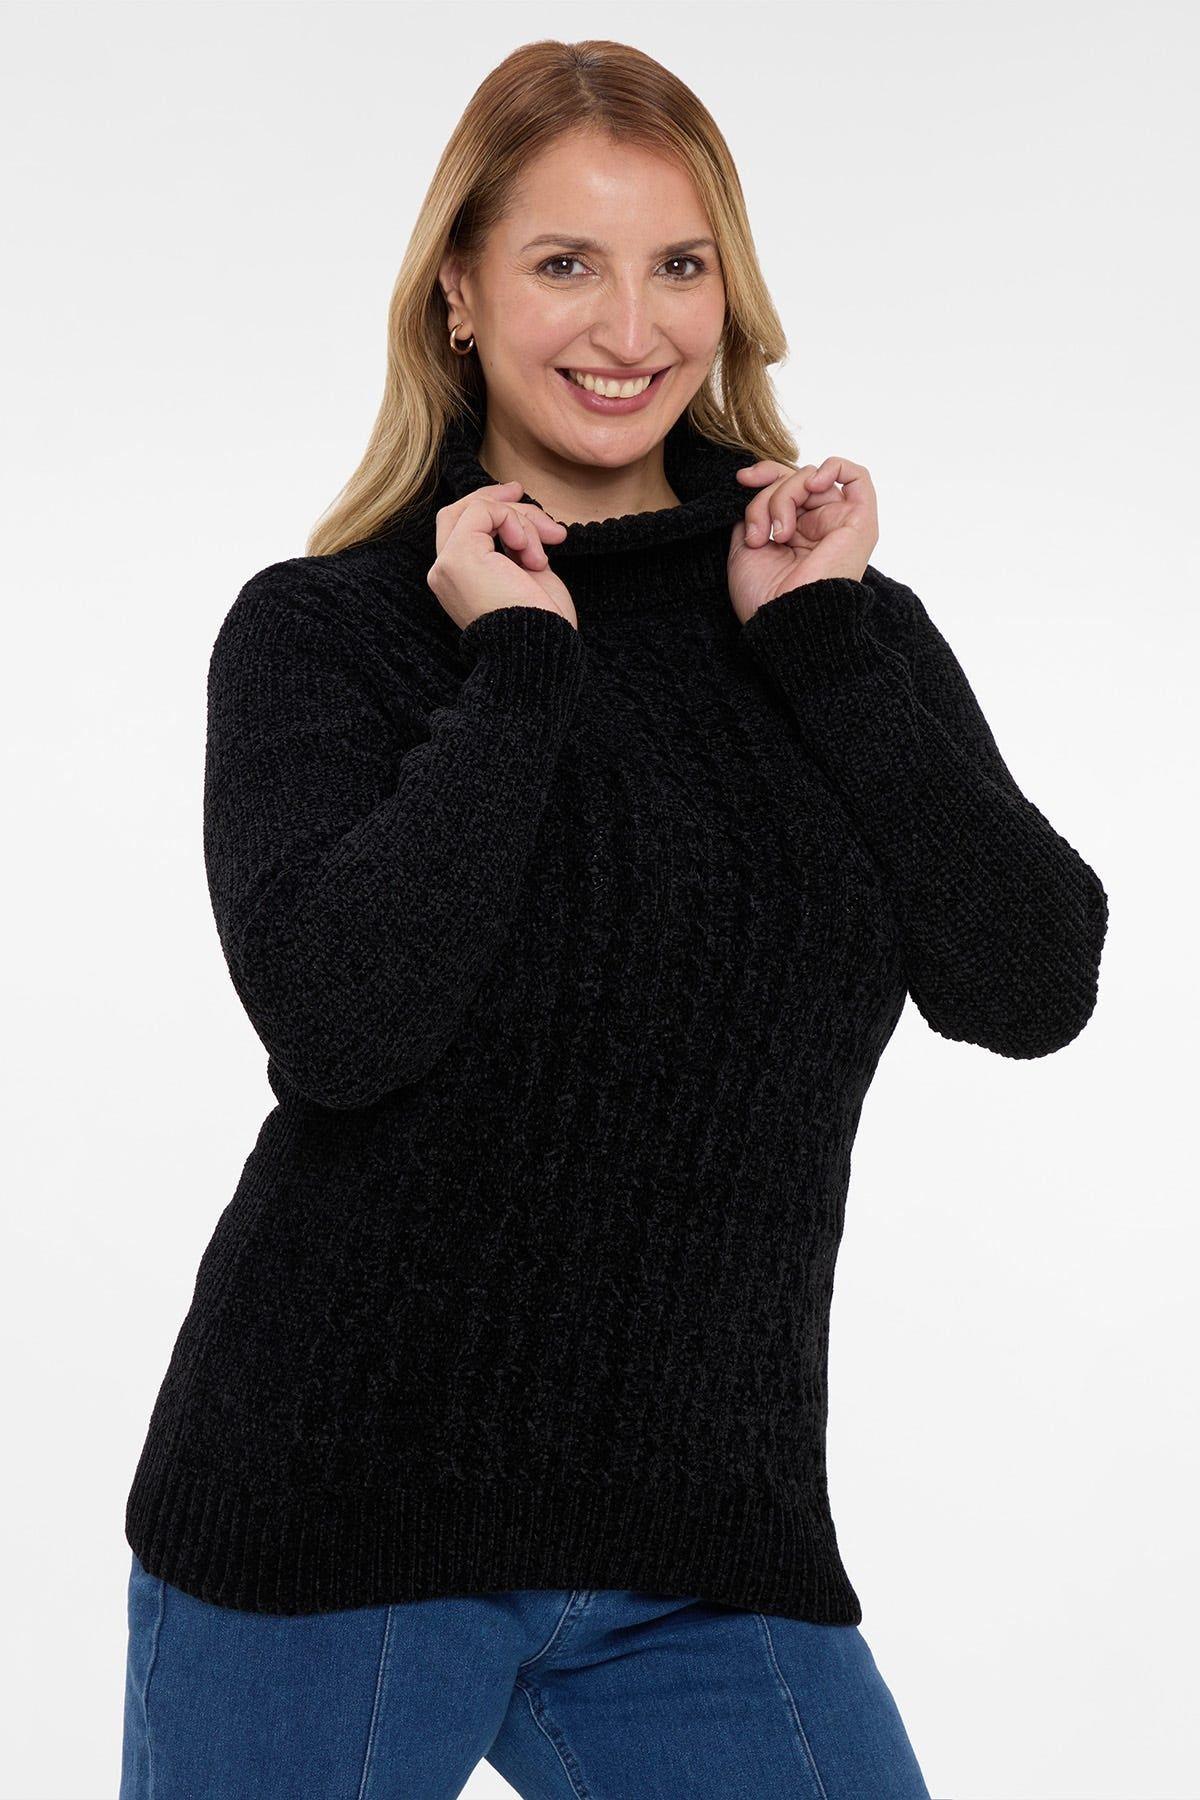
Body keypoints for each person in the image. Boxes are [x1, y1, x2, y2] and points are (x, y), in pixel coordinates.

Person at [119, 39, 1108, 1800]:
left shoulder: (829, 617)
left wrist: (820, 642)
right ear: (458, 292)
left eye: (680, 264)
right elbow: (339, 1026)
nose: (630, 327)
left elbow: (1030, 981)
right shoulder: (327, 631)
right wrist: (516, 664)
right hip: (337, 1516)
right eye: (566, 262)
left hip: (703, 1546)